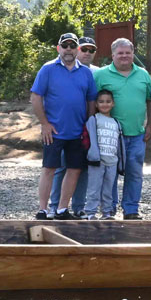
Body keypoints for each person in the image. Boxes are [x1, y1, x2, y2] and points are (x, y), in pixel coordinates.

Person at [31, 32, 97, 219]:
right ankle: (43, 209)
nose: (68, 49)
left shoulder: (85, 72)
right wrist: (44, 124)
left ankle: (61, 209)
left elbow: (91, 99)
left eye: (72, 46)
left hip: (77, 132)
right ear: (59, 48)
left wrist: (89, 124)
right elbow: (36, 97)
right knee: (49, 169)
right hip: (53, 132)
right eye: (65, 45)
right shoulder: (48, 69)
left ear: (77, 49)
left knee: (74, 169)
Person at [92, 38, 151, 219]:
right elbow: (91, 102)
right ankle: (109, 209)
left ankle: (131, 209)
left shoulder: (143, 74)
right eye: (120, 53)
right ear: (113, 55)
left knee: (134, 173)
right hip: (109, 136)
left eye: (128, 52)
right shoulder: (101, 75)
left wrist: (150, 124)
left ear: (133, 53)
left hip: (137, 135)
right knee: (109, 174)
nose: (124, 56)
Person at [82, 90, 124, 219]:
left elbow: (119, 144)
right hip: (97, 160)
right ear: (96, 104)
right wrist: (92, 155)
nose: (104, 104)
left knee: (108, 189)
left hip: (112, 161)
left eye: (108, 101)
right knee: (94, 188)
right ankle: (90, 212)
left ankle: (106, 212)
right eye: (101, 102)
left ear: (113, 104)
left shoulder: (116, 123)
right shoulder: (93, 119)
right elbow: (89, 138)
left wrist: (121, 162)